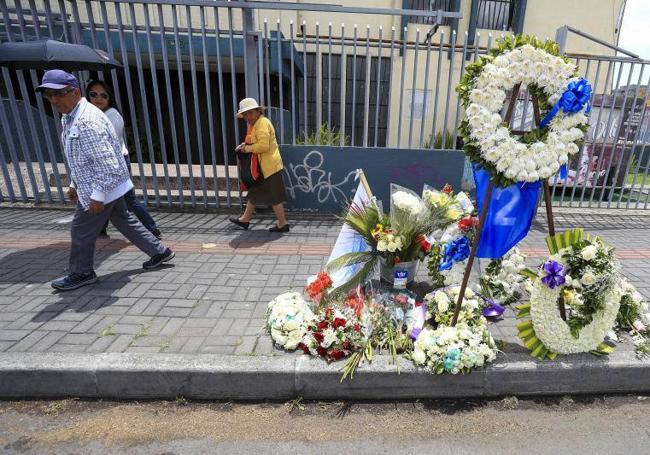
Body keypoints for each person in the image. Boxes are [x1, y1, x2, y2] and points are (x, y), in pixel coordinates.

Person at [36, 70, 174, 291]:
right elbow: (81, 157)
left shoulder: (87, 121)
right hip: (104, 185)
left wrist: (97, 196)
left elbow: (105, 163)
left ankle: (82, 272)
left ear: (75, 92)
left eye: (59, 94)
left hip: (101, 187)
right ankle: (159, 251)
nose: (54, 100)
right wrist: (74, 183)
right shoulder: (71, 115)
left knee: (81, 230)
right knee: (123, 219)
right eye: (49, 95)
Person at [85, 80, 162, 239]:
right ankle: (100, 228)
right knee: (106, 197)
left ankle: (152, 229)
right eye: (93, 94)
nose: (98, 98)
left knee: (128, 200)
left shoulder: (112, 115)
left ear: (110, 98)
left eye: (103, 95)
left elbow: (107, 143)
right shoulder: (93, 116)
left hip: (116, 163)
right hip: (106, 164)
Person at [229, 98, 289, 232]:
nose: (248, 117)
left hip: (269, 167)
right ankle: (245, 219)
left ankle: (283, 223)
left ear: (258, 111)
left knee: (274, 197)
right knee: (254, 194)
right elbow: (256, 142)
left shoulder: (262, 123)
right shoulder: (256, 124)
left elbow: (263, 146)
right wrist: (245, 146)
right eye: (245, 114)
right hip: (262, 167)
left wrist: (246, 149)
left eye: (250, 113)